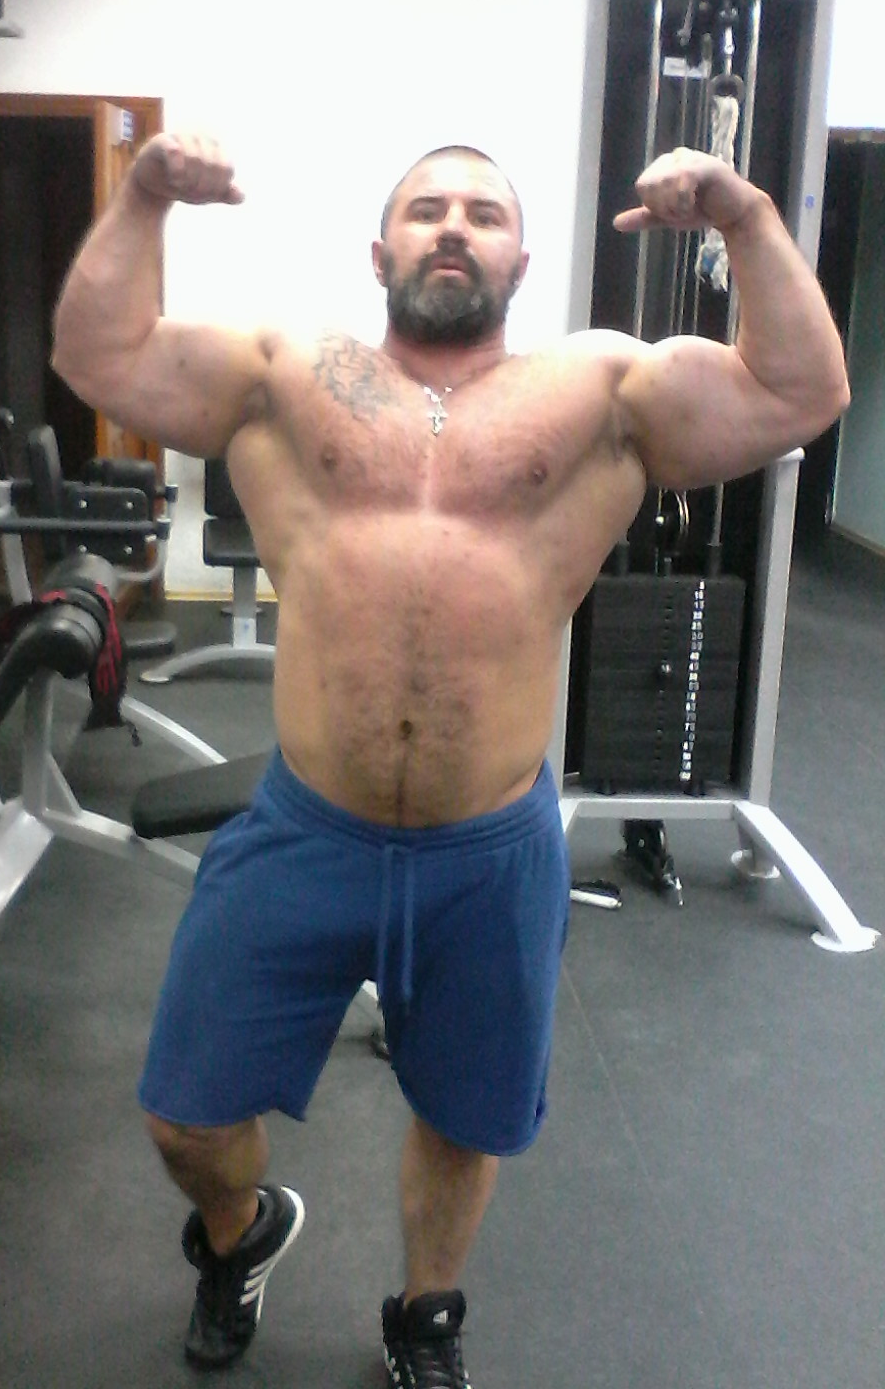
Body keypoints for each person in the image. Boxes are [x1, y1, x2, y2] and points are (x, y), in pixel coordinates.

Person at [50, 133, 848, 1387]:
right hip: (306, 827)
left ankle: (425, 1314)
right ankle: (239, 1234)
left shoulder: (604, 389)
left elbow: (799, 391)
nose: (455, 226)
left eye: (484, 212)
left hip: (490, 849)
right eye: (428, 209)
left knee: (465, 1117)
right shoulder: (284, 375)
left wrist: (744, 215)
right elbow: (98, 356)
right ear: (380, 252)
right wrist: (144, 192)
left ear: (522, 259)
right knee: (184, 1115)